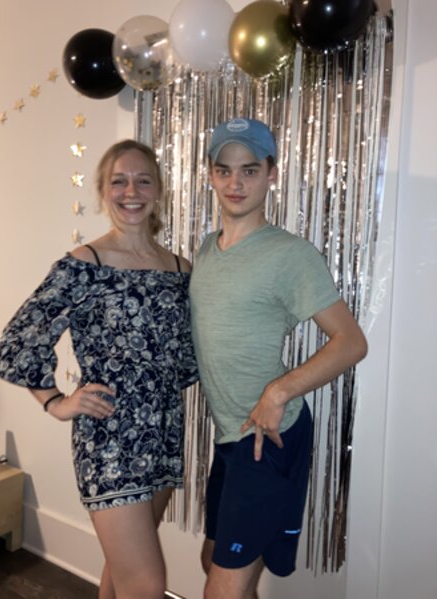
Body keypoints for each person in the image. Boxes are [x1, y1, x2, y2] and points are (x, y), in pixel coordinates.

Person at [0, 139, 198, 599]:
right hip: (108, 439)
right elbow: (21, 337)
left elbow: (185, 356)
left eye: (143, 180)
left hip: (163, 434)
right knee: (146, 584)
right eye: (119, 181)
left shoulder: (181, 269)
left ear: (159, 190)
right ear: (104, 191)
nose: (132, 191)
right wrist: (55, 402)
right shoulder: (85, 265)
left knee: (122, 573)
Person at [189, 118, 368, 599]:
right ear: (210, 175)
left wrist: (279, 391)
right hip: (231, 436)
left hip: (269, 436)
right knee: (213, 560)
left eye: (249, 170)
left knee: (223, 587)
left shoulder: (291, 255)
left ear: (272, 174)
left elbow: (351, 342)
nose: (235, 182)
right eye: (224, 170)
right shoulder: (206, 250)